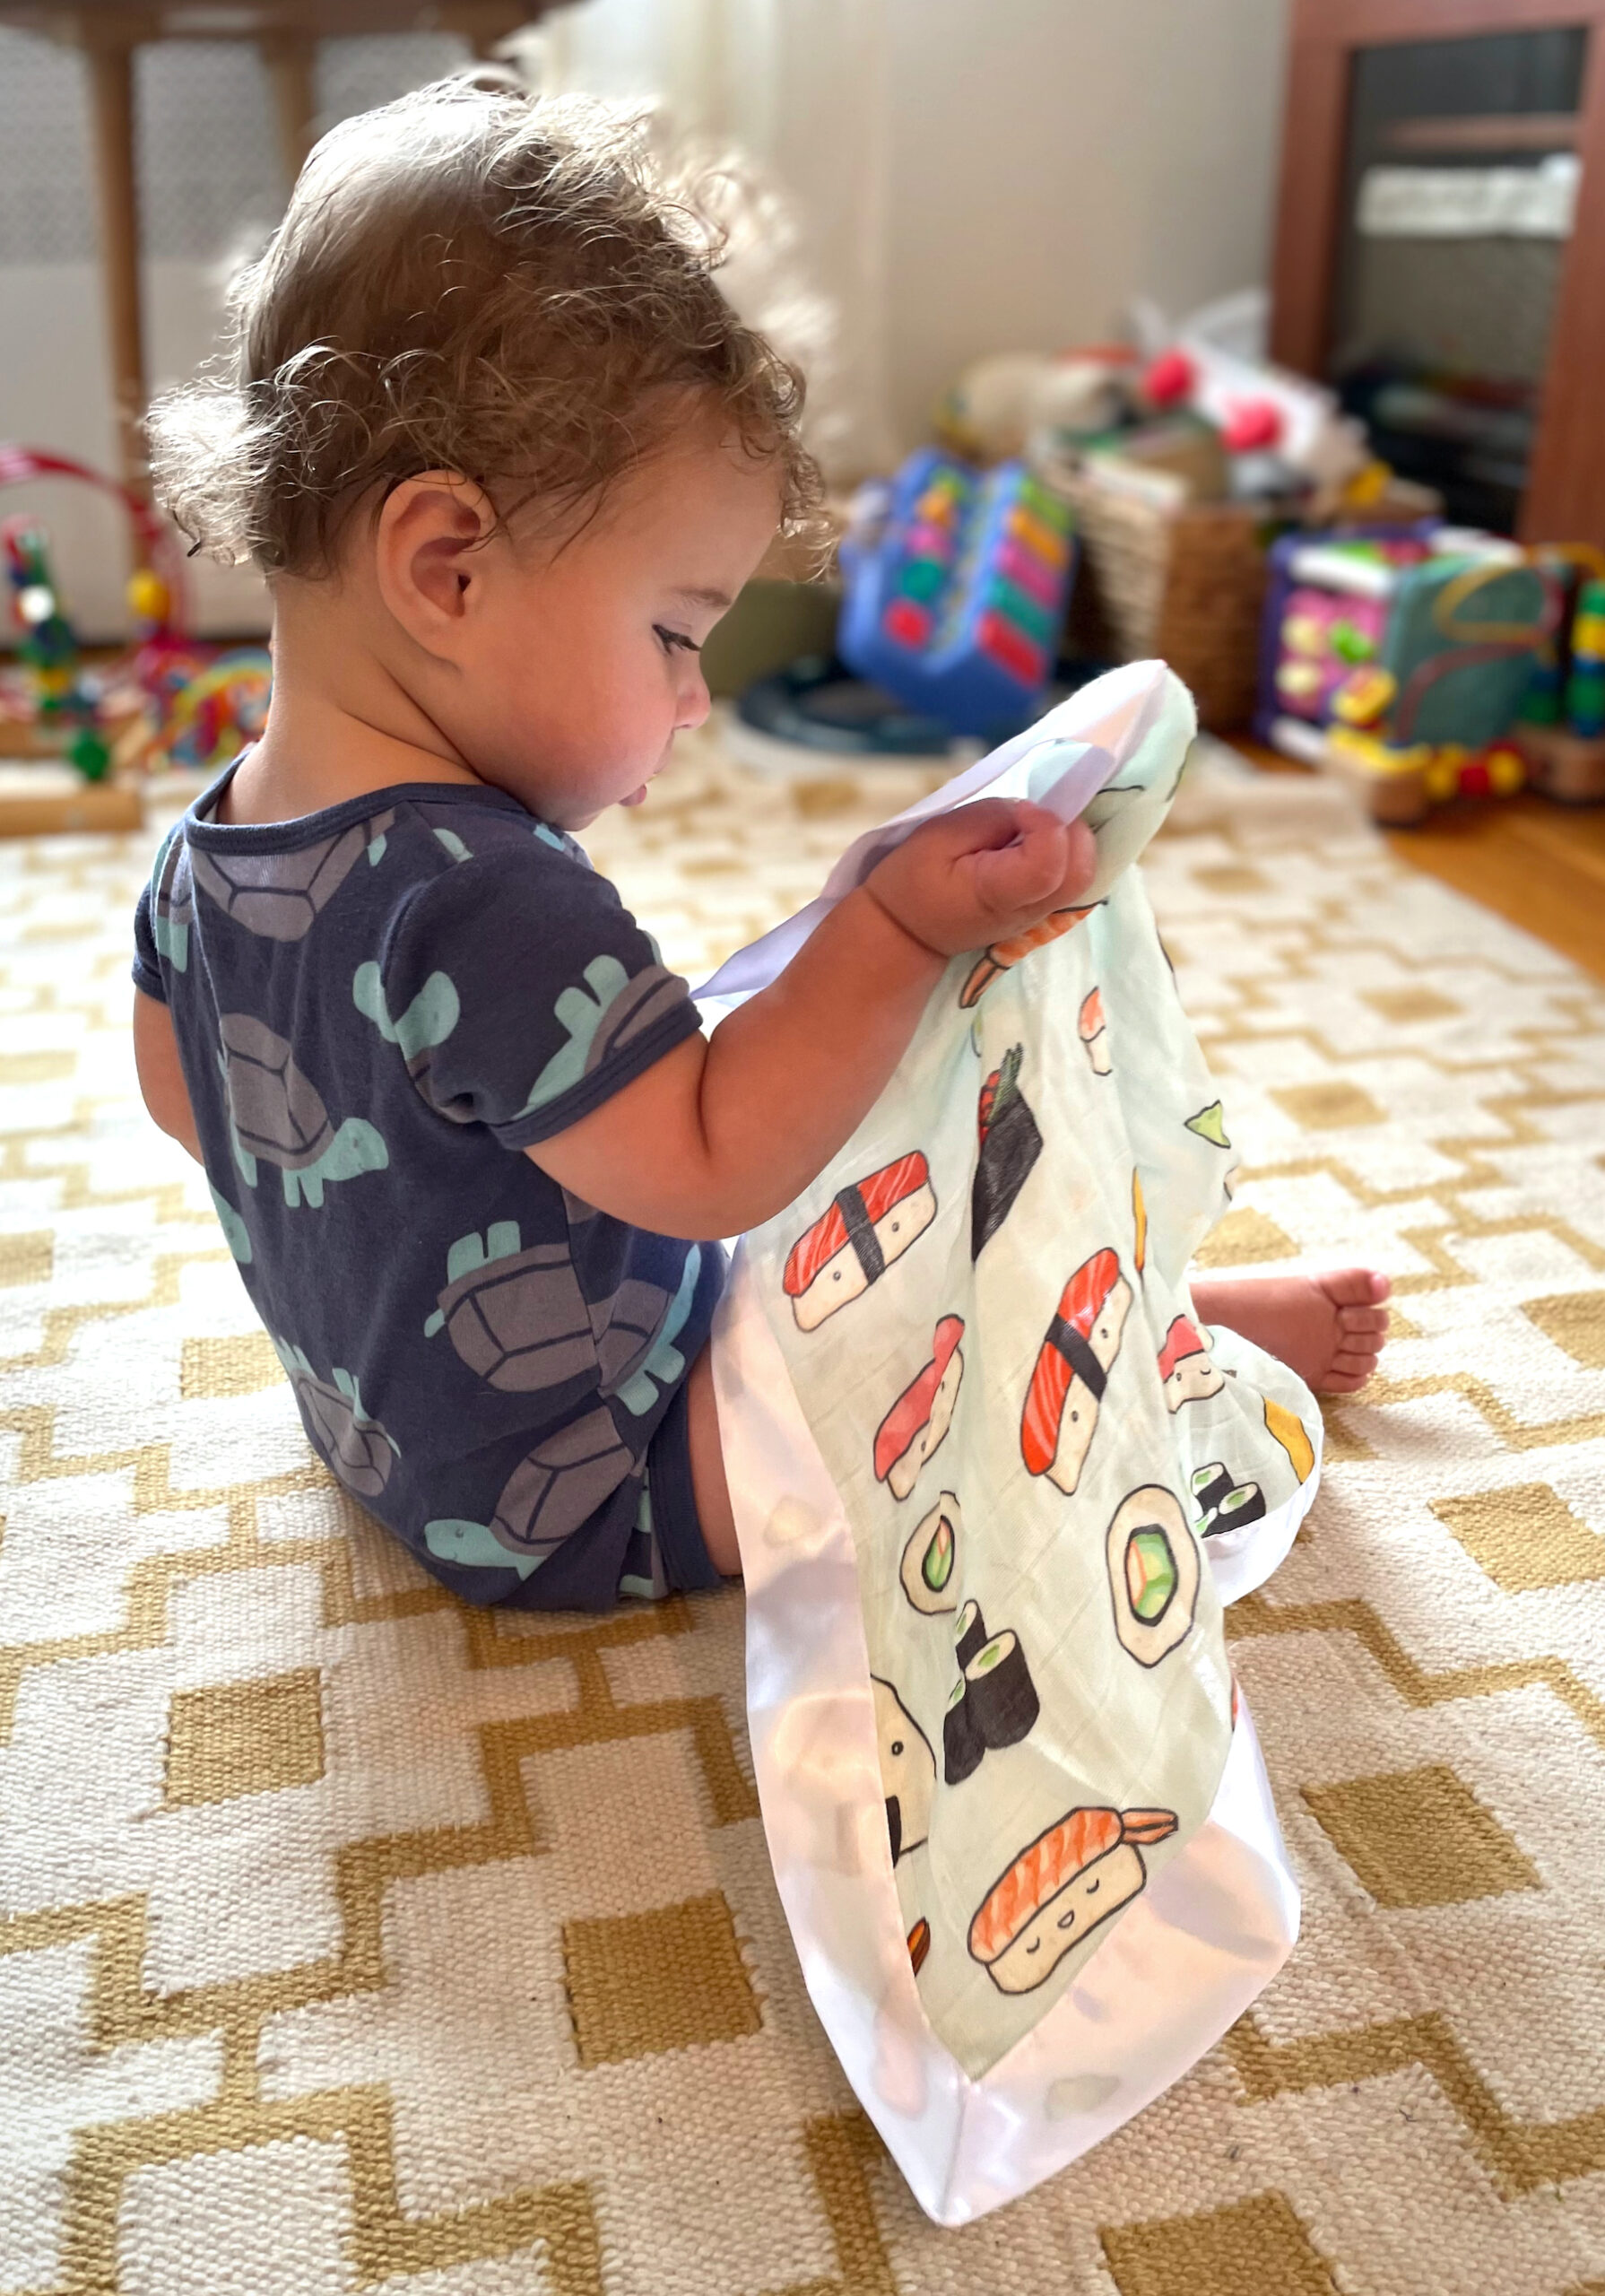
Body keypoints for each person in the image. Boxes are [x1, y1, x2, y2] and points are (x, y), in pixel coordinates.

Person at [132, 80, 1389, 1611]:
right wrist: (892, 934)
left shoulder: (210, 843)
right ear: (445, 567)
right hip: (603, 1486)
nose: (693, 695)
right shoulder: (483, 902)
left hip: (396, 1444)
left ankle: (1138, 1304)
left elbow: (188, 1101)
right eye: (672, 631)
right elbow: (719, 1165)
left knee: (840, 1166)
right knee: (934, 1318)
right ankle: (1182, 1329)